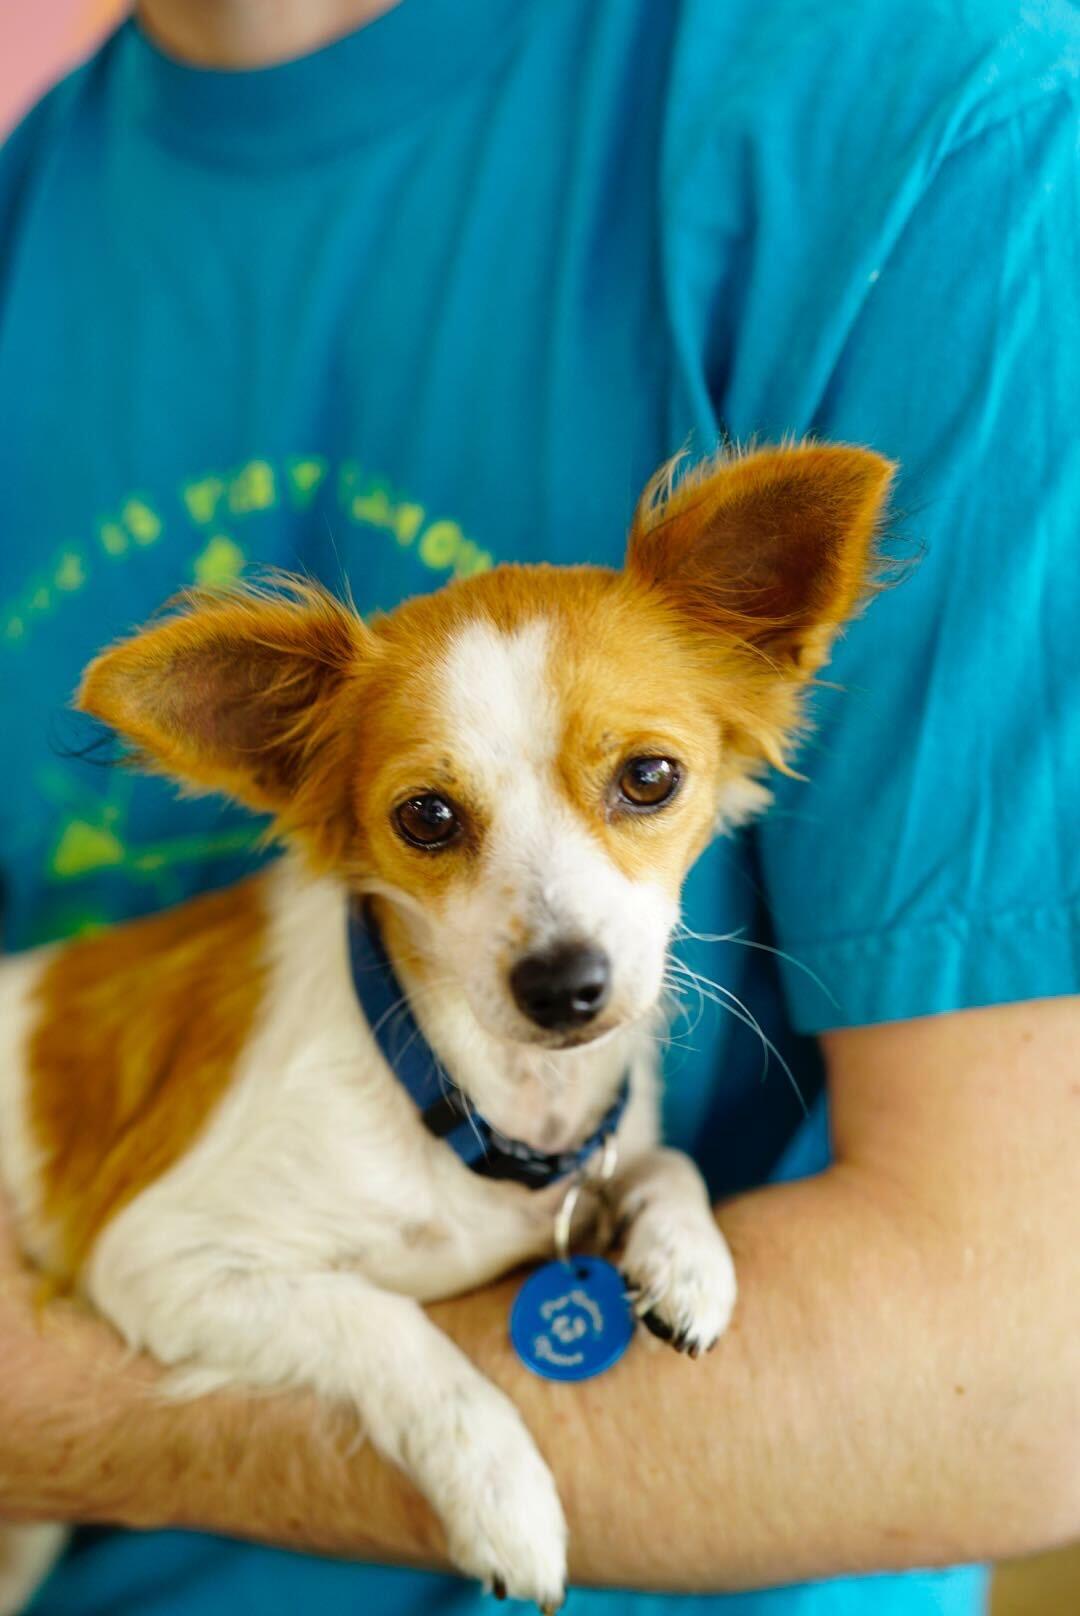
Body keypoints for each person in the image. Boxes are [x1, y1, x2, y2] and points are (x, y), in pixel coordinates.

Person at [1, 0, 1079, 1612]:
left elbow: (1025, 1371)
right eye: (435, 822)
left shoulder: (933, 111)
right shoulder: (29, 196)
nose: (554, 928)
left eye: (643, 785)